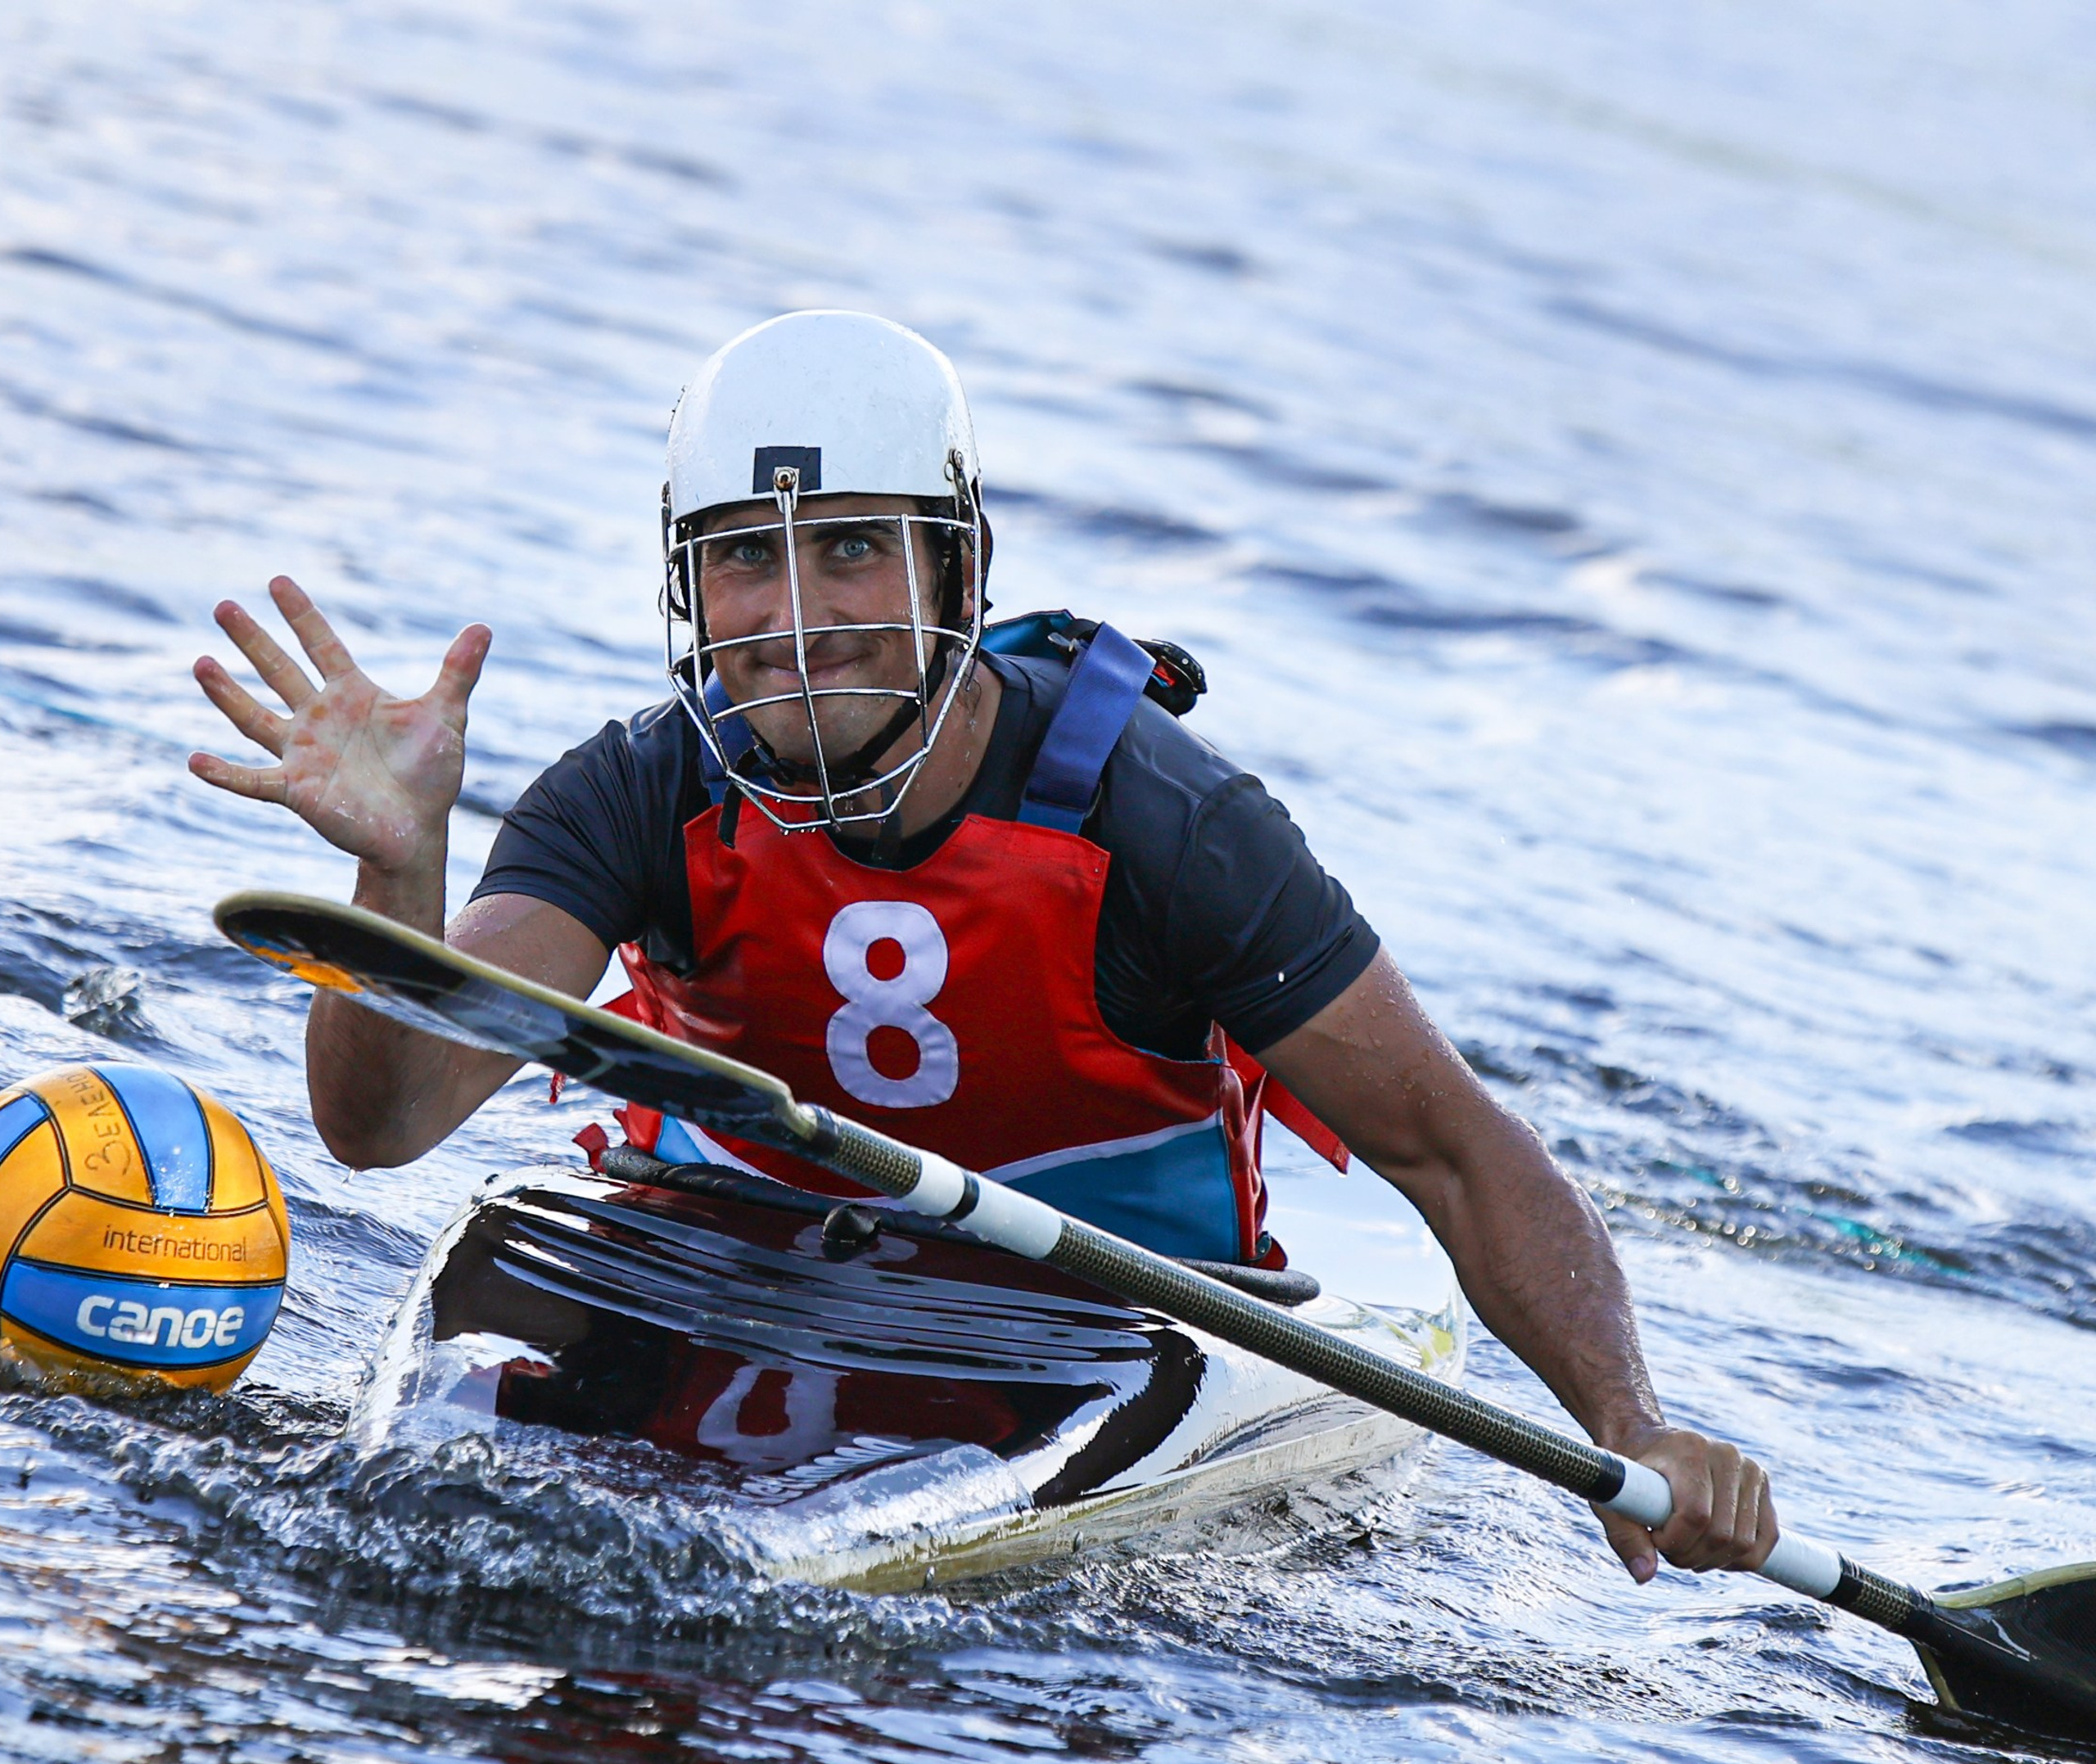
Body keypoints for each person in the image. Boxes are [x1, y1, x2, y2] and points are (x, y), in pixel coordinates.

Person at [189, 309, 1778, 1586]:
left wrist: (1627, 1420)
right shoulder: (641, 786)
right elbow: (384, 1121)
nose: (797, 616)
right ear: (688, 587)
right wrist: (398, 868)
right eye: (747, 554)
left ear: (957, 565)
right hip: (717, 1241)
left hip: (1104, 1300)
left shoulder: (1160, 821)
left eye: (853, 549)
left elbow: (1449, 1149)